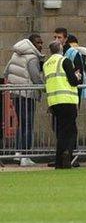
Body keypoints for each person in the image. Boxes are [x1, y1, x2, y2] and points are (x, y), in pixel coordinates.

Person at [4, 34, 45, 166]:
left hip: (16, 93)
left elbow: (6, 71)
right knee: (28, 124)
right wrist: (44, 87)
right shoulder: (32, 58)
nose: (41, 45)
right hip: (27, 94)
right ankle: (25, 156)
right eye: (38, 43)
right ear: (32, 44)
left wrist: (15, 83)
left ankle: (18, 152)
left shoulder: (15, 54)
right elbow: (35, 77)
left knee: (21, 124)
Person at [43, 41, 80, 169]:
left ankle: (59, 160)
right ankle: (66, 153)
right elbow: (73, 81)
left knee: (61, 131)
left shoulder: (47, 64)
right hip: (67, 99)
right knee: (71, 131)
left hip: (54, 101)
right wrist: (77, 76)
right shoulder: (65, 61)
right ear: (61, 49)